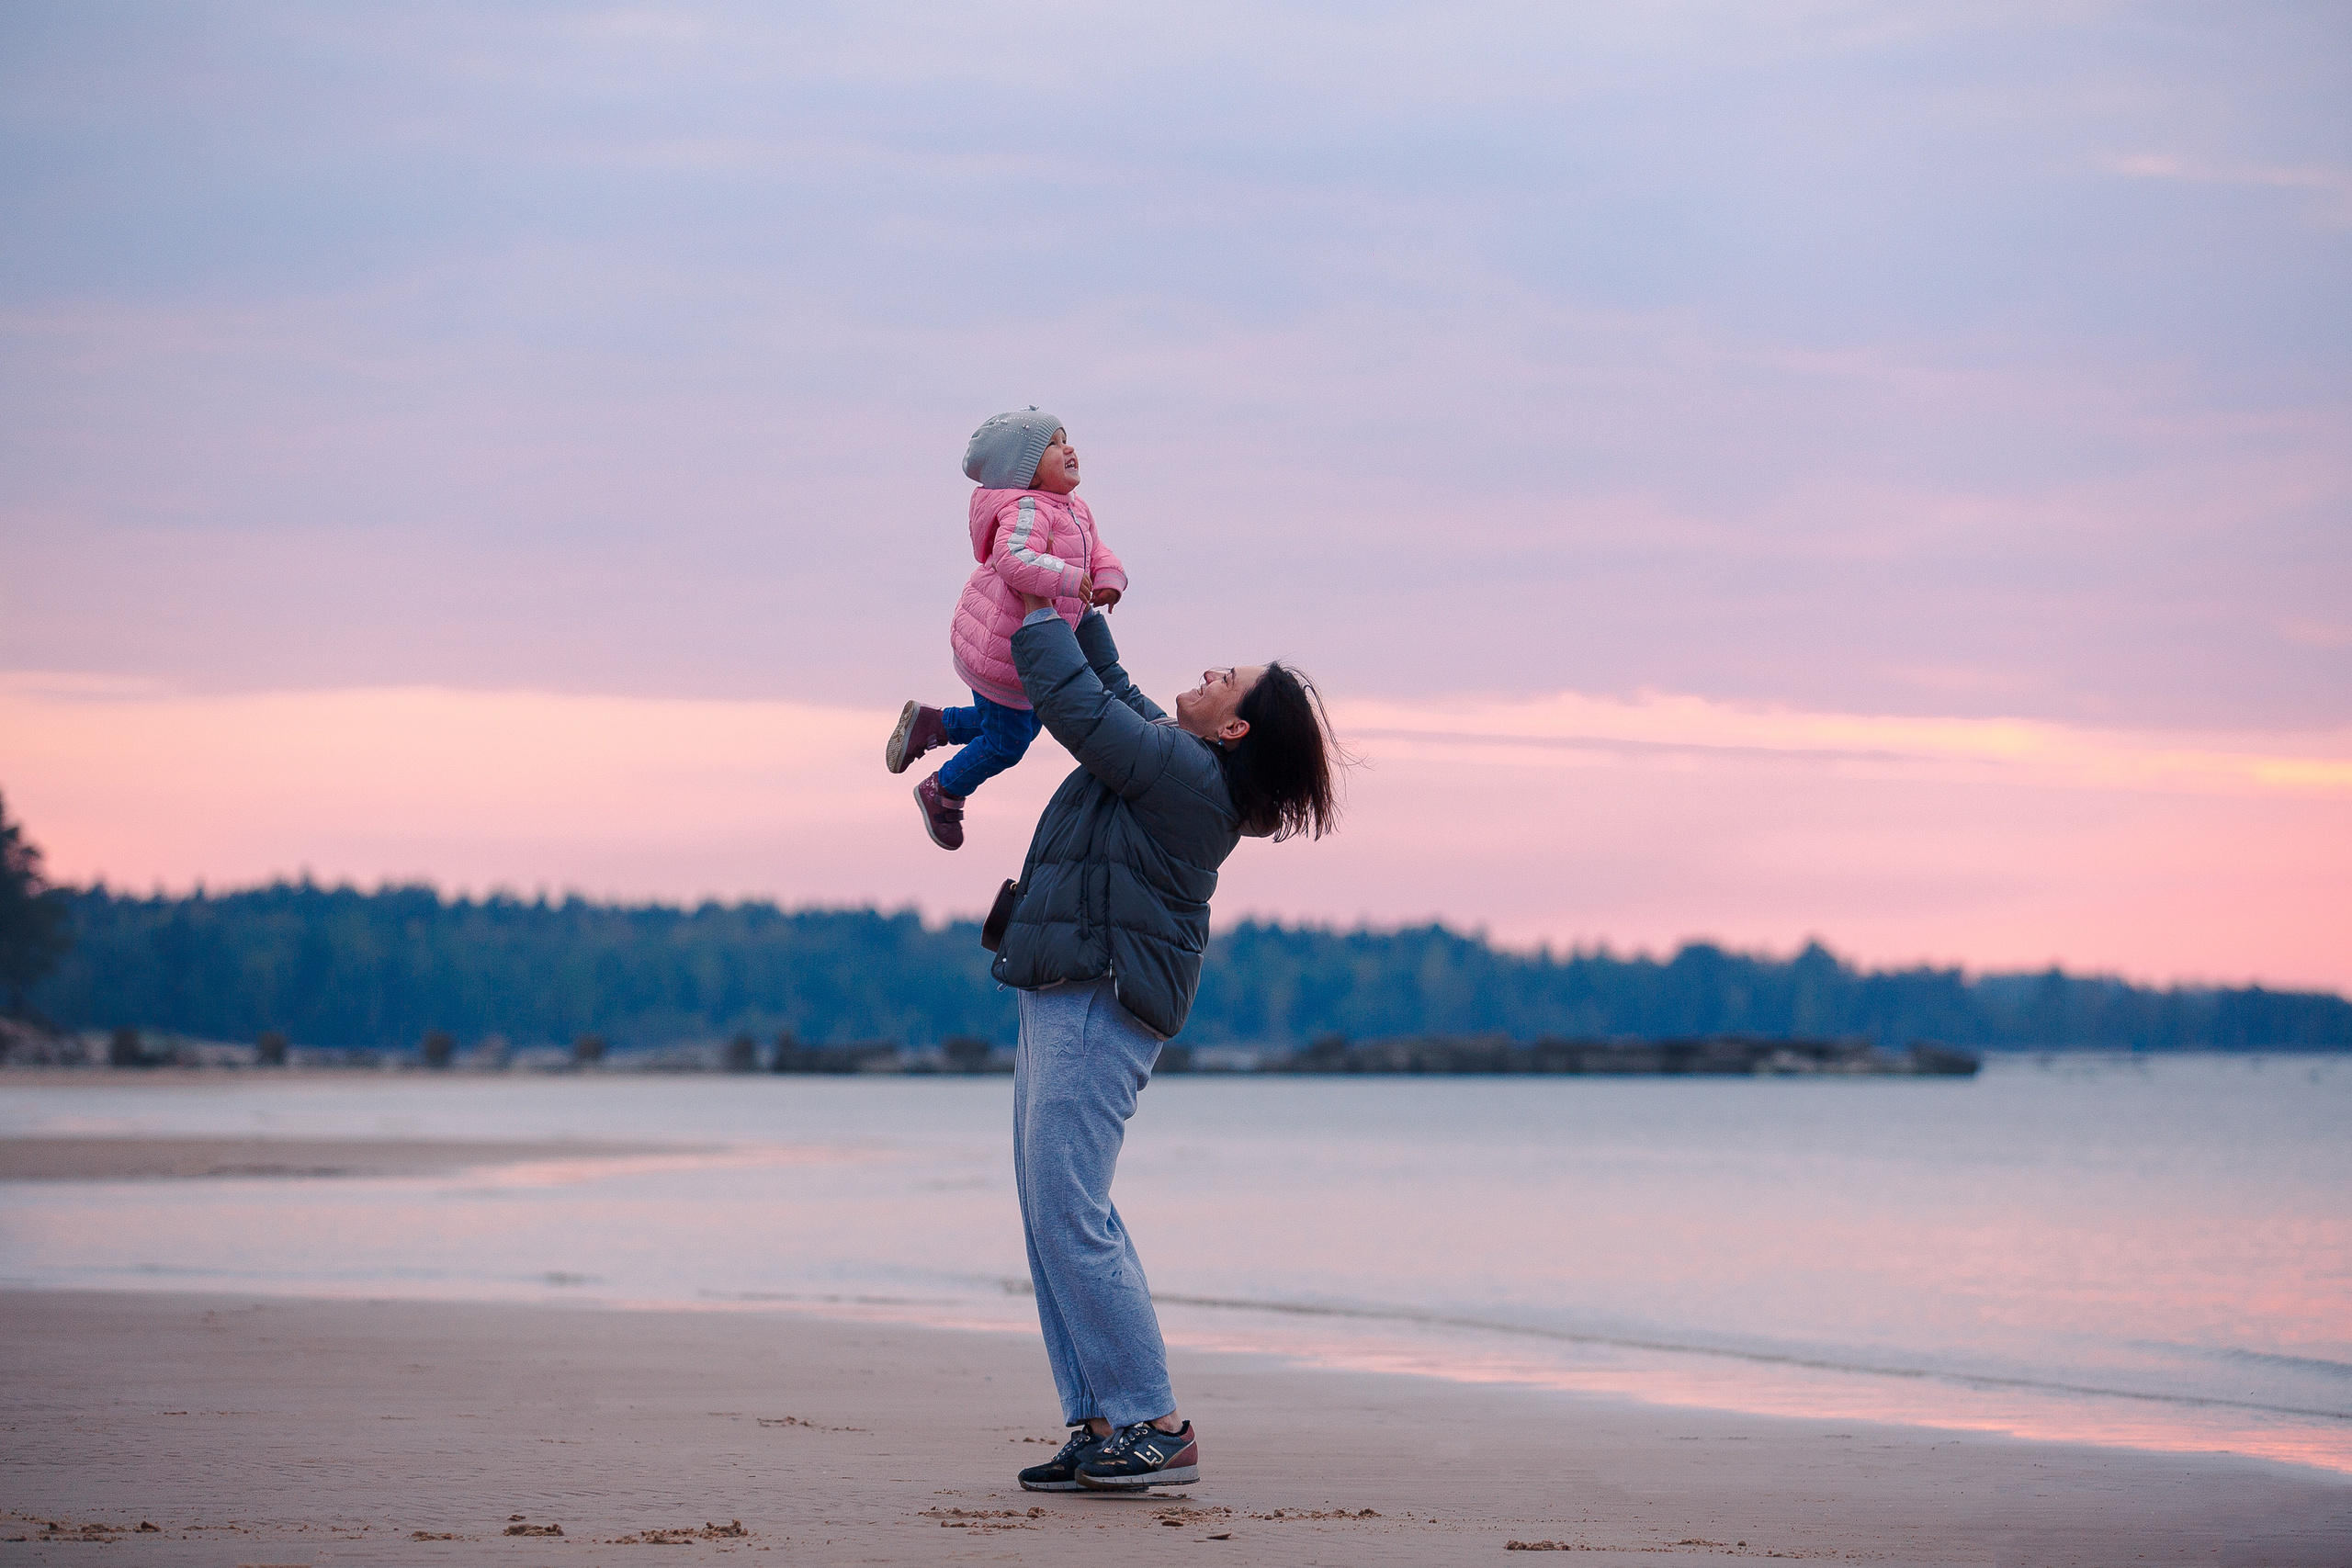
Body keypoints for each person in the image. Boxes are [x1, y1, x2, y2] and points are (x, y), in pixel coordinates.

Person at [992, 591, 1340, 1494]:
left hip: (1099, 997)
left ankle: (1155, 1422)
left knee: (1069, 1207)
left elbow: (1073, 706)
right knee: (1051, 1209)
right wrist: (1074, 599)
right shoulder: (1176, 756)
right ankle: (1102, 1420)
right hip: (1063, 983)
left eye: (1230, 680)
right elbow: (1104, 681)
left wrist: (1032, 606)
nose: (1211, 673)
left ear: (1234, 731)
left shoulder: (1186, 780)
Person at [885, 407, 1128, 852]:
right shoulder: (1027, 510)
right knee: (1008, 742)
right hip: (1002, 647)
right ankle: (943, 788)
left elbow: (1096, 550)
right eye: (1053, 445)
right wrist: (1069, 579)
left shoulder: (1075, 509)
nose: (1068, 448)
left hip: (1027, 653)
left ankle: (935, 724)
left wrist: (1108, 577)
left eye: (1065, 438)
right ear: (1027, 472)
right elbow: (1016, 560)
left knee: (1021, 726)